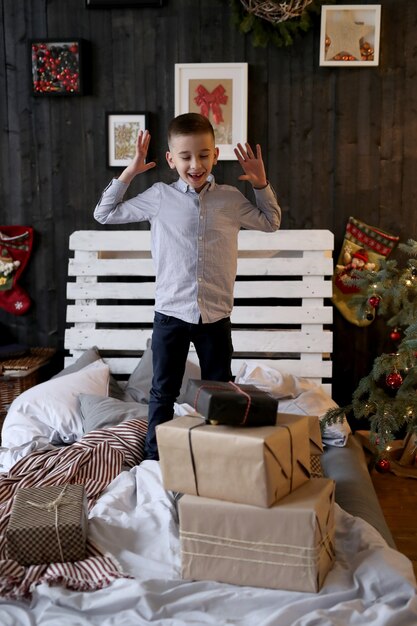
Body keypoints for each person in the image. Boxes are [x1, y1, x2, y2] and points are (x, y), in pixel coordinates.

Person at [94, 112, 281, 459]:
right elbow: (104, 213)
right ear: (170, 159)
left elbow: (271, 222)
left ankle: (217, 457)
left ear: (215, 155)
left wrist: (260, 184)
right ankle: (154, 459)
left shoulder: (229, 199)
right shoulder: (159, 197)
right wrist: (131, 170)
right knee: (162, 391)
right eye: (186, 156)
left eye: (204, 155)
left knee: (221, 392)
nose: (195, 164)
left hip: (215, 317)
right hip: (171, 314)